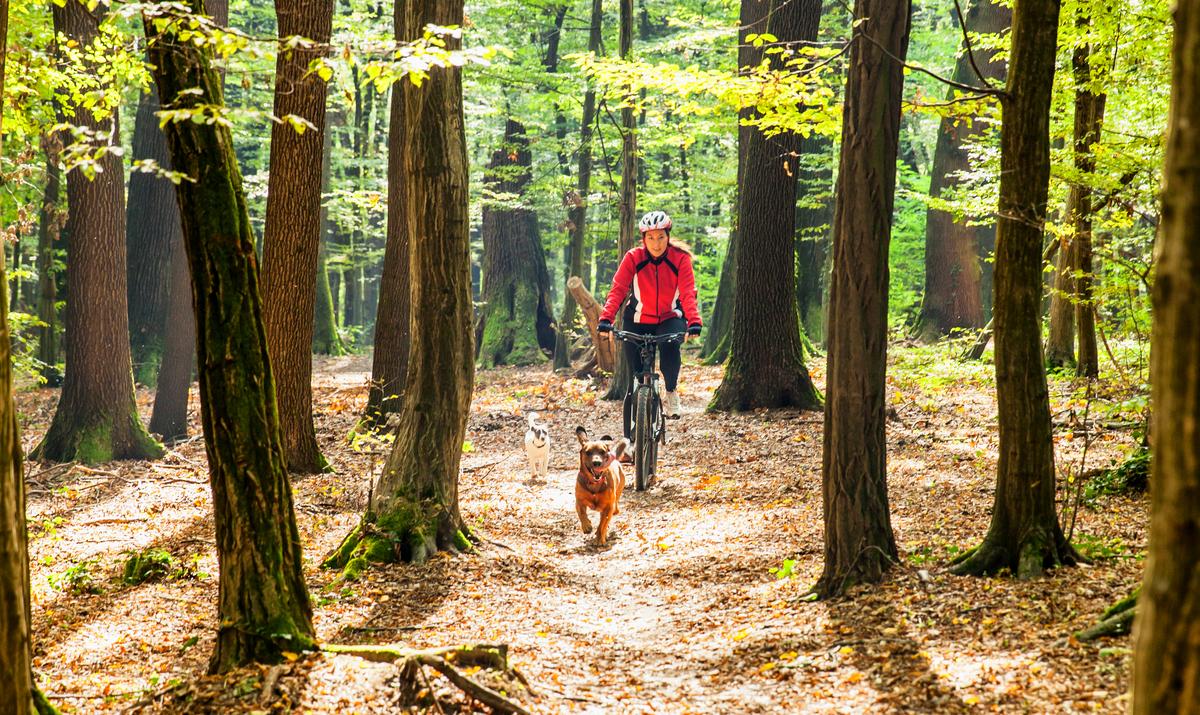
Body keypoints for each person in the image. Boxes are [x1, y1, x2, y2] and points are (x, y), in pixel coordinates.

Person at [597, 210, 702, 429]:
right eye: (651, 238)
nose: (656, 243)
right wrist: (606, 318)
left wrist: (694, 321)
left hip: (670, 317)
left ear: (668, 236)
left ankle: (671, 392)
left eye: (661, 237)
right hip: (637, 319)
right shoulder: (633, 258)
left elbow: (687, 292)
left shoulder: (680, 259)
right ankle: (636, 425)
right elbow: (618, 289)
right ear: (644, 239)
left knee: (670, 347)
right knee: (636, 374)